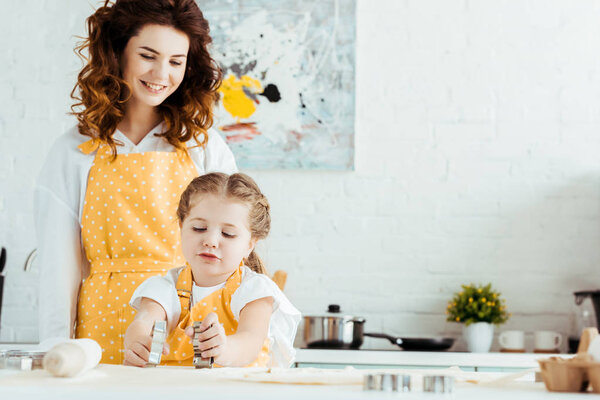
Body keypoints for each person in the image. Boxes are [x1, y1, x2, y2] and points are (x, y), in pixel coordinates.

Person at [34, 0, 237, 364]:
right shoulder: (74, 150)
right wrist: (55, 350)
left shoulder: (204, 148)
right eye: (148, 55)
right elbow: (58, 266)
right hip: (99, 337)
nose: (162, 73)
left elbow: (232, 250)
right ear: (118, 53)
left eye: (176, 61)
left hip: (187, 326)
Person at [123, 173, 300, 368]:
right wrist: (138, 341)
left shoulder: (255, 290)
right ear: (182, 227)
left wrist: (223, 349)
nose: (211, 241)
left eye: (228, 234)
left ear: (250, 244)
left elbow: (250, 342)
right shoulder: (165, 286)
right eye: (199, 228)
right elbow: (145, 319)